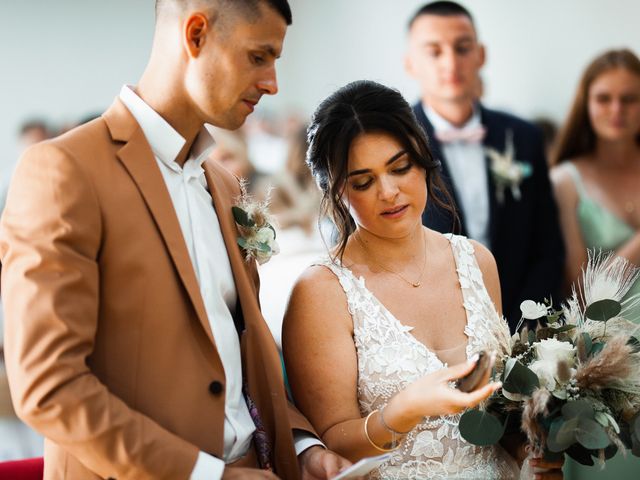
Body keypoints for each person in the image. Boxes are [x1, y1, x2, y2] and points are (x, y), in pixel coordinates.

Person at [0, 1, 350, 478]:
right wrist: (208, 476)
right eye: (258, 56)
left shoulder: (225, 186)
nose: (272, 84)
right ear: (196, 34)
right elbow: (49, 386)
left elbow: (240, 353)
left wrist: (302, 446)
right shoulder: (64, 171)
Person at [283, 80, 565, 479]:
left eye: (400, 168)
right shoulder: (322, 291)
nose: (389, 191)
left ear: (424, 159)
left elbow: (496, 411)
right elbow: (331, 444)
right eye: (363, 182)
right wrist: (404, 410)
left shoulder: (476, 260)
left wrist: (532, 450)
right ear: (336, 193)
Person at [405, 1, 565, 330]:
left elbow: (547, 244)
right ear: (411, 63)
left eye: (462, 48)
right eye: (434, 51)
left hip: (524, 323)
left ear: (481, 55)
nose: (451, 62)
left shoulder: (524, 137)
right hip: (432, 329)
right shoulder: (395, 144)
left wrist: (526, 325)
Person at [551, 49, 640, 312]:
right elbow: (582, 293)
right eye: (604, 98)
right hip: (613, 343)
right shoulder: (565, 182)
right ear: (585, 103)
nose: (616, 110)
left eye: (629, 99)